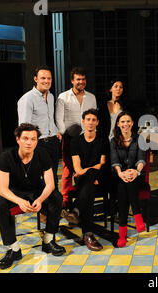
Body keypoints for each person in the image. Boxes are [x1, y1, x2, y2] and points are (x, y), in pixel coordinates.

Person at [0, 123, 65, 270]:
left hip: (36, 191)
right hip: (15, 192)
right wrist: (19, 201)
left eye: (33, 139)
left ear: (37, 141)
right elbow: (2, 189)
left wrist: (39, 200)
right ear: (18, 139)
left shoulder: (42, 154)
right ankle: (13, 249)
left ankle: (48, 240)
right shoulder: (6, 157)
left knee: (56, 197)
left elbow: (50, 184)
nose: (29, 142)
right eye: (25, 138)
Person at [55, 67, 97, 207]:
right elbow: (59, 118)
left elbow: (94, 117)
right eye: (78, 79)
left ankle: (82, 196)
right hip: (69, 138)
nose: (81, 82)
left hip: (87, 138)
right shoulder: (63, 97)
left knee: (85, 168)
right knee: (68, 169)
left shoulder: (91, 97)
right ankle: (65, 199)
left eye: (83, 79)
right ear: (72, 80)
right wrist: (61, 133)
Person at [69, 109, 108, 251]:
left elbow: (102, 164)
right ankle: (88, 234)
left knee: (91, 176)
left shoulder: (103, 140)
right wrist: (89, 172)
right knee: (89, 188)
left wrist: (88, 171)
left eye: (93, 120)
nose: (90, 122)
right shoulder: (75, 142)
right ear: (83, 121)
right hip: (86, 181)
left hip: (100, 178)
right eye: (88, 119)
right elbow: (77, 169)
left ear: (97, 122)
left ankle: (77, 209)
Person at [17, 65, 61, 189]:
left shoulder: (51, 97)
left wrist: (56, 132)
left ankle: (53, 207)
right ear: (35, 79)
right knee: (38, 180)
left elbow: (49, 119)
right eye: (43, 78)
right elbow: (23, 127)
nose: (46, 81)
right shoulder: (27, 99)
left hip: (53, 143)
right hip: (39, 144)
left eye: (49, 78)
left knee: (53, 178)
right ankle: (40, 206)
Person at [110, 111, 147, 248]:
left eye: (128, 121)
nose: (125, 124)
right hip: (119, 176)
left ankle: (122, 235)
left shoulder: (140, 139)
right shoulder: (113, 141)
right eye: (122, 122)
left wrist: (136, 171)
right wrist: (120, 173)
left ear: (132, 123)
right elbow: (114, 160)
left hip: (136, 175)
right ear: (118, 124)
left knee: (127, 185)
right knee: (122, 186)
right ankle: (137, 215)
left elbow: (142, 158)